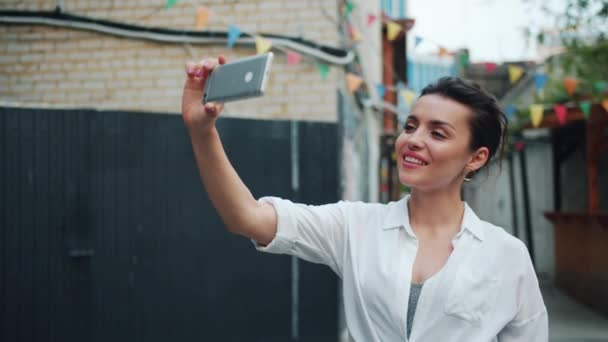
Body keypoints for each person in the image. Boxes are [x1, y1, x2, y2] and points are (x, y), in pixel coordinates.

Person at [182, 56, 548, 341]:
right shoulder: (356, 226)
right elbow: (247, 217)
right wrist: (202, 131)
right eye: (411, 125)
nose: (414, 139)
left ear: (476, 157)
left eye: (438, 133)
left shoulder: (506, 256)